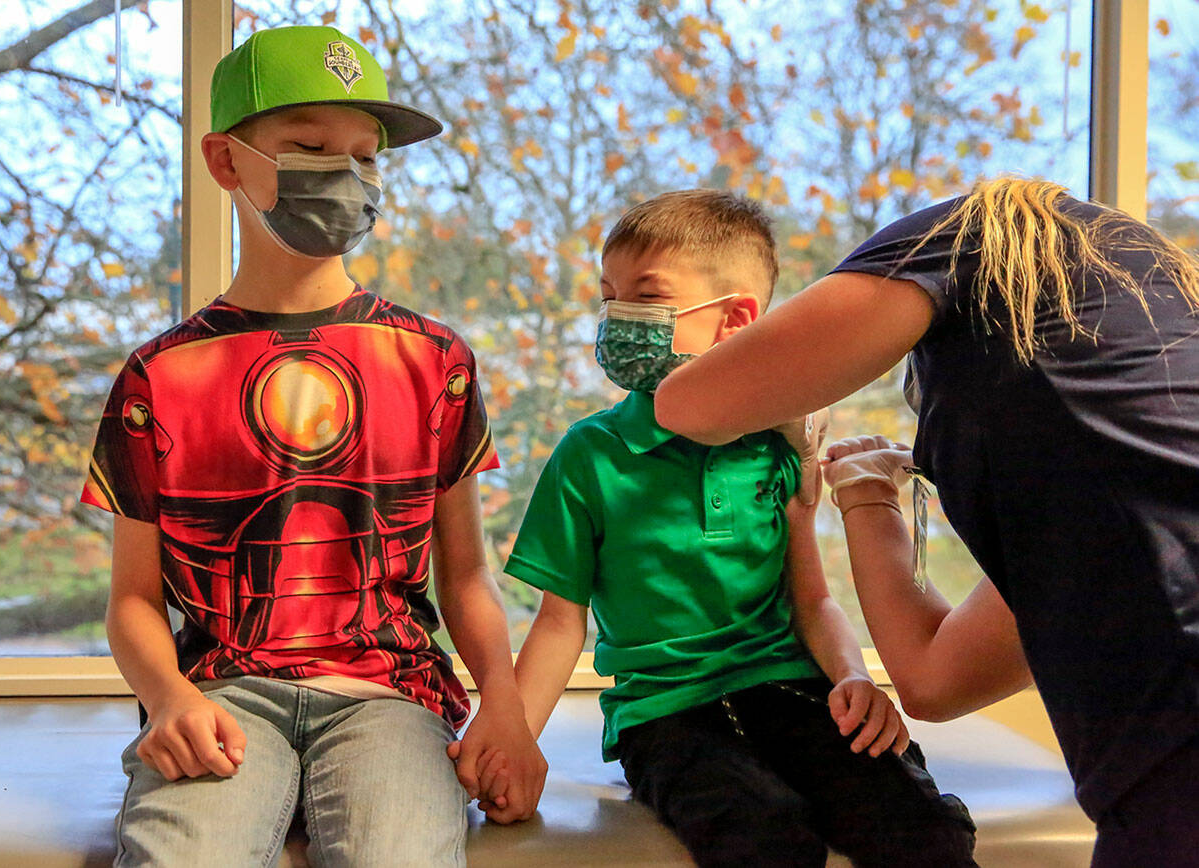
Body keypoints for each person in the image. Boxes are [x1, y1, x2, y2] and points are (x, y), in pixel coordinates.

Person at [82, 25, 545, 867]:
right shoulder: (158, 376)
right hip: (218, 696)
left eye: (367, 157)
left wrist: (505, 708)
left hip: (392, 697)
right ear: (226, 162)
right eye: (310, 147)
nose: (349, 176)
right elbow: (132, 600)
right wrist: (167, 698)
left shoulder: (435, 360)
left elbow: (466, 570)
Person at [653, 177, 1199, 867]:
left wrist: (789, 407)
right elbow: (937, 678)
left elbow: (689, 406)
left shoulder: (964, 235)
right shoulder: (1112, 497)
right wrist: (868, 500)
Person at [486, 190, 977, 867]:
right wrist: (516, 738)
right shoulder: (589, 456)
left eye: (645, 295)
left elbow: (815, 600)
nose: (617, 317)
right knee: (761, 837)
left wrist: (853, 678)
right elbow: (558, 624)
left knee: (924, 830)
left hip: (791, 690)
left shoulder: (779, 445)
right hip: (665, 717)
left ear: (735, 319)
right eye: (609, 297)